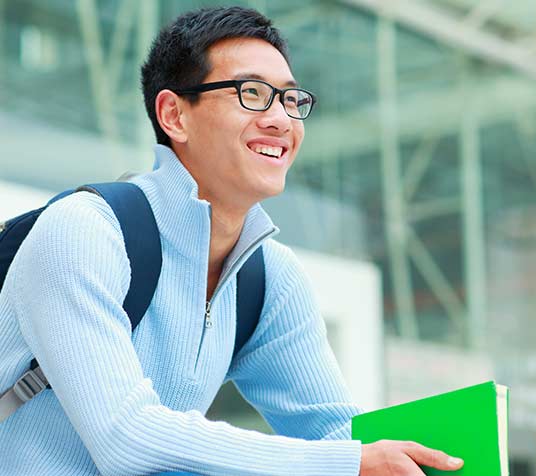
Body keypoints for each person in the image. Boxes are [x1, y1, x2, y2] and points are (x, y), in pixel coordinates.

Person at [0, 6, 464, 476]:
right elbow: (127, 438)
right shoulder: (84, 231)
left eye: (290, 99)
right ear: (174, 115)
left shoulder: (268, 278)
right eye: (253, 93)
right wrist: (345, 461)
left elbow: (335, 435)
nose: (282, 120)